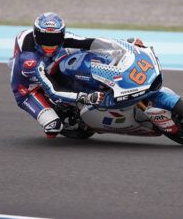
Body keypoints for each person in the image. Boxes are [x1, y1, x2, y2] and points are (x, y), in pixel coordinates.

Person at [10, 13, 142, 138]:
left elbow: (91, 42)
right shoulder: (29, 60)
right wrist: (85, 98)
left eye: (54, 39)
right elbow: (53, 90)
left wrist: (125, 45)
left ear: (61, 36)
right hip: (28, 89)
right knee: (53, 127)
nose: (49, 45)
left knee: (85, 53)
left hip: (48, 65)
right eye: (44, 39)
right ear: (35, 36)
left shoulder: (64, 39)